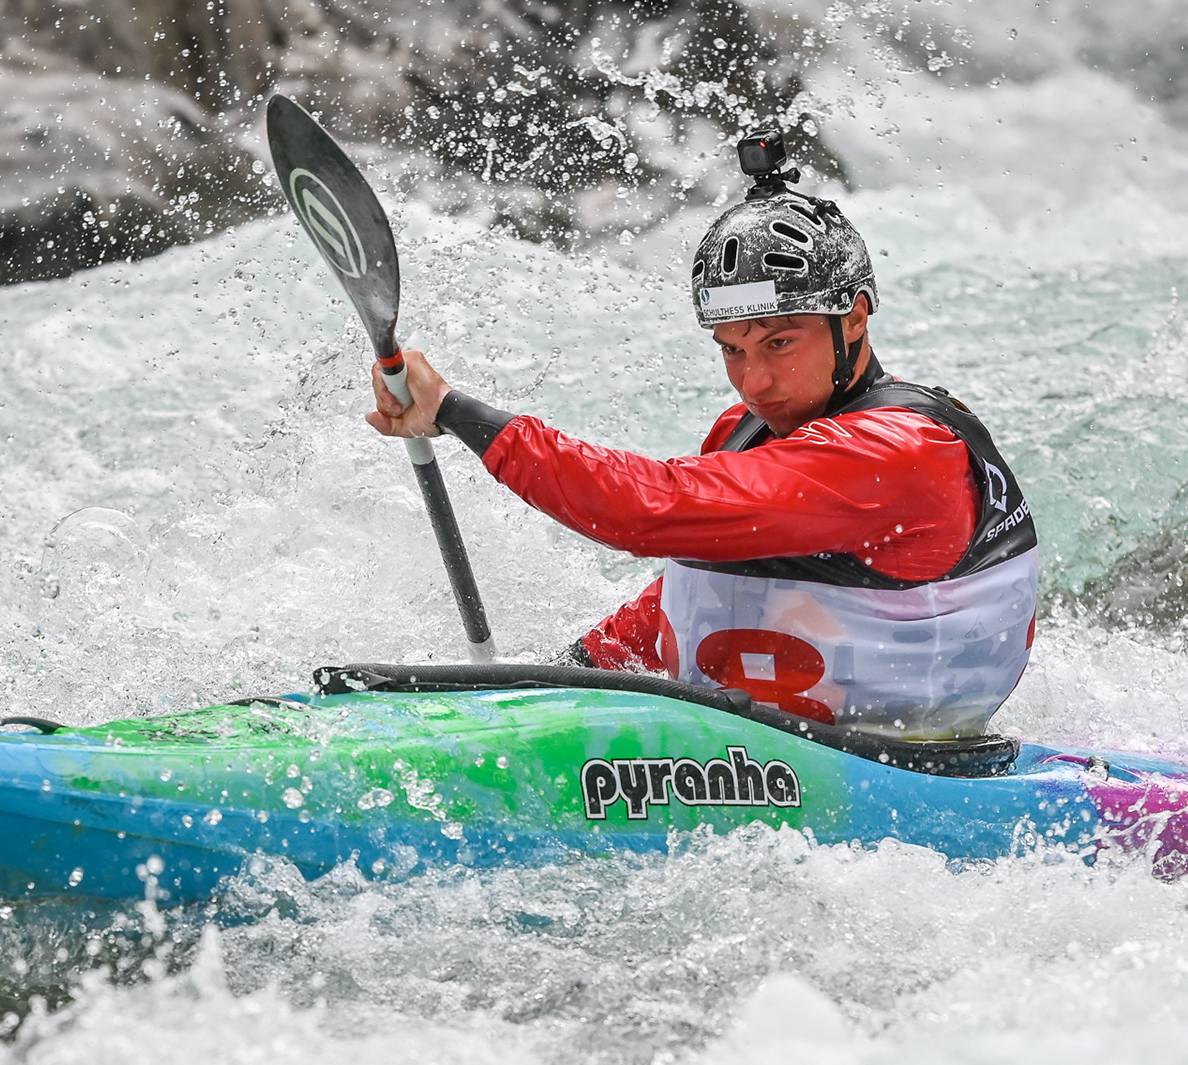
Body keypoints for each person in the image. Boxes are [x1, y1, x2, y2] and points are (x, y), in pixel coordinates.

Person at [367, 133, 1038, 741]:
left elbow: (648, 510)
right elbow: (693, 593)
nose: (755, 382)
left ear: (854, 318)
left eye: (779, 343)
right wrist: (558, 679)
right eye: (731, 350)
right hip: (761, 757)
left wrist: (455, 411)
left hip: (907, 769)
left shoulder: (899, 454)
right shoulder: (748, 432)